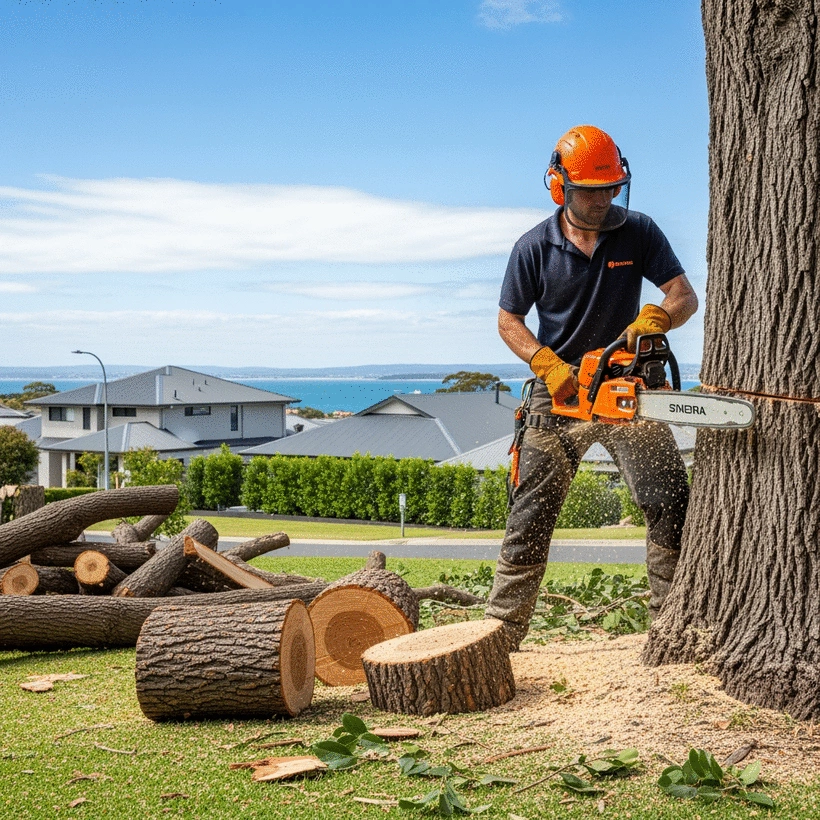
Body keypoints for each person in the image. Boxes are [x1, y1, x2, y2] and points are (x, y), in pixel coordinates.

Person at [485, 124, 698, 650]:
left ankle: (670, 632)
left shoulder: (639, 231)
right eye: (590, 192)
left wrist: (659, 317)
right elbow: (508, 320)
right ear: (560, 186)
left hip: (628, 384)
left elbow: (683, 295)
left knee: (671, 504)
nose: (602, 201)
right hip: (560, 391)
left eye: (610, 190)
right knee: (529, 515)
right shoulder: (534, 246)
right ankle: (501, 634)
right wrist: (545, 362)